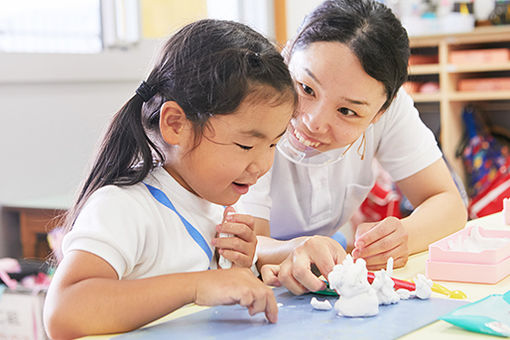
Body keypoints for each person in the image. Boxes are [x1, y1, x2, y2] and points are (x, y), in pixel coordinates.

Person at [43, 19, 297, 339]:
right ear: (176, 124)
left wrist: (239, 267)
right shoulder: (124, 206)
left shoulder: (212, 201)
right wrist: (198, 286)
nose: (262, 164)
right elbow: (64, 311)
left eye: (273, 144)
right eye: (246, 145)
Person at [238, 0, 468, 295]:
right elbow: (247, 242)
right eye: (306, 88)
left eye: (347, 111)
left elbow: (449, 204)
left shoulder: (388, 107)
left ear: (380, 113)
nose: (313, 122)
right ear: (288, 54)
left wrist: (402, 236)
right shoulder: (252, 99)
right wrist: (296, 248)